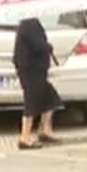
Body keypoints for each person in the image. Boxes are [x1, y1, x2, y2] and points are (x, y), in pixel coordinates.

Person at [12, 17, 60, 150]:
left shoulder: (29, 23)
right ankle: (24, 137)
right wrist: (48, 47)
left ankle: (45, 131)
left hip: (35, 70)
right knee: (32, 102)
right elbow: (38, 45)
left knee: (50, 97)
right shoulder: (29, 24)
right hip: (31, 70)